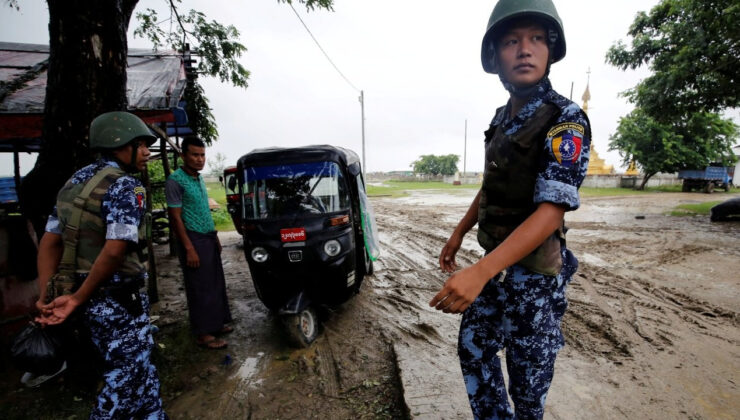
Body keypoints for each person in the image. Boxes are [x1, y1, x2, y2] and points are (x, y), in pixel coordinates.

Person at [429, 0, 591, 418]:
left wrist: (478, 273)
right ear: (495, 57)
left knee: (527, 386)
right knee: (474, 350)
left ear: (551, 50)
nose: (525, 49)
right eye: (511, 41)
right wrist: (460, 230)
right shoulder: (502, 118)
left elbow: (552, 211)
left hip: (535, 279)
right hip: (495, 268)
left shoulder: (565, 118)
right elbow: (492, 182)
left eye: (537, 38)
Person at [35, 111, 166, 419]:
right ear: (118, 144)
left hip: (86, 300)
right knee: (123, 382)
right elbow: (115, 249)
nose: (147, 152)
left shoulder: (73, 183)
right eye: (141, 144)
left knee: (142, 372)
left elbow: (49, 242)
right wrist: (78, 298)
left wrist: (46, 296)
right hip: (116, 300)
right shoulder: (125, 186)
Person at [165, 136, 233, 349]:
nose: (199, 159)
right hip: (192, 239)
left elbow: (204, 209)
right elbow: (175, 217)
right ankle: (203, 334)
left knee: (214, 282)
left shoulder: (199, 178)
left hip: (208, 237)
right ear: (183, 155)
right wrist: (188, 248)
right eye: (194, 155)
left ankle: (216, 323)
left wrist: (214, 236)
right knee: (199, 287)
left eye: (202, 155)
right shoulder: (175, 181)